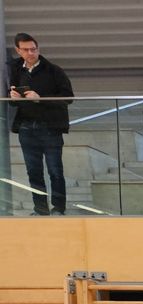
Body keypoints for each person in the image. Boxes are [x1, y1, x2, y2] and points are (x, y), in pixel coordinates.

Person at [7, 34, 73, 216]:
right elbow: (12, 100)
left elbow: (68, 97)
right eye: (26, 50)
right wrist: (13, 98)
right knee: (33, 171)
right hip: (26, 127)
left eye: (34, 49)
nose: (31, 53)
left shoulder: (53, 70)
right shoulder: (15, 70)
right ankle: (40, 208)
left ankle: (59, 207)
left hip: (50, 127)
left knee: (54, 170)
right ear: (18, 51)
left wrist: (40, 99)